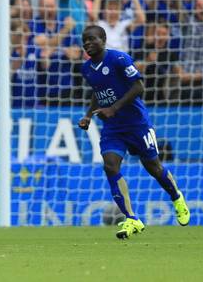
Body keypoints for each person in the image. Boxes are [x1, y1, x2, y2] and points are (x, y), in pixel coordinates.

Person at [78, 25, 189, 239]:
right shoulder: (86, 69)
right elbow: (98, 92)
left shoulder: (119, 59)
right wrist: (88, 115)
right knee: (110, 165)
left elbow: (139, 87)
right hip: (113, 128)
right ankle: (131, 218)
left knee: (153, 167)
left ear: (103, 39)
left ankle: (177, 198)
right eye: (84, 40)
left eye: (91, 39)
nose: (87, 43)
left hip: (137, 124)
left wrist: (113, 108)